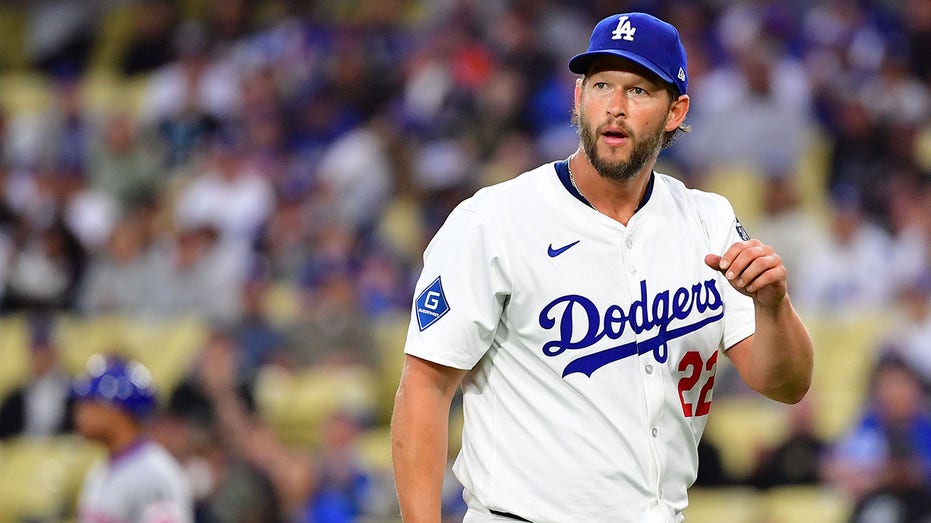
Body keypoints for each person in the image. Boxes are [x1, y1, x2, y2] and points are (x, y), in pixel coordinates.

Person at [391, 12, 813, 523]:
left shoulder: (709, 220)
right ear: (578, 97)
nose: (615, 106)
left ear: (675, 111)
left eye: (638, 91)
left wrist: (773, 306)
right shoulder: (494, 221)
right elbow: (425, 386)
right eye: (601, 85)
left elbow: (785, 385)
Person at [72, 354, 194, 523]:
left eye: (90, 404)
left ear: (117, 410)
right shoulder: (101, 469)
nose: (80, 414)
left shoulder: (154, 476)